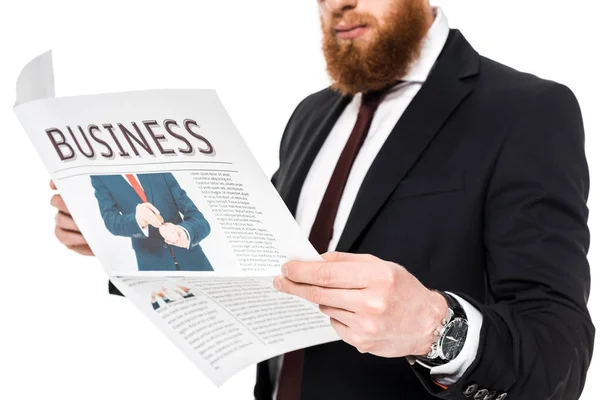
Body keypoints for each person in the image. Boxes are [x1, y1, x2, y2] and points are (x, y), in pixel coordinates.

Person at [51, 1, 594, 399]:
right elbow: (262, 270)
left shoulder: (526, 110)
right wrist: (121, 240)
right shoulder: (313, 115)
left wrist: (435, 326)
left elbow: (560, 352)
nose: (338, 3)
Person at [90, 172, 213, 272]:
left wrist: (184, 232)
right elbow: (111, 221)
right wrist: (138, 220)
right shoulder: (100, 176)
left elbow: (199, 220)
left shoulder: (157, 166)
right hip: (153, 266)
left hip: (195, 263)